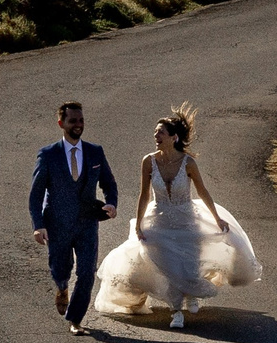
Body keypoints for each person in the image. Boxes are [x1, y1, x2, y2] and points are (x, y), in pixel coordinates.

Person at [93, 103, 262, 329]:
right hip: (159, 219)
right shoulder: (148, 161)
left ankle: (191, 293)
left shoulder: (188, 163)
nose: (156, 135)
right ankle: (176, 312)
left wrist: (216, 217)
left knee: (189, 266)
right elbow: (143, 195)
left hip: (186, 219)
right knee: (168, 266)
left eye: (161, 132)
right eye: (155, 132)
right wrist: (139, 223)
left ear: (173, 137)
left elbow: (202, 191)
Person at [28, 100, 118, 335]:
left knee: (87, 271)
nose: (78, 125)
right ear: (61, 123)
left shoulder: (95, 152)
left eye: (81, 120)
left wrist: (111, 203)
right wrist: (38, 226)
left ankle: (76, 319)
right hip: (57, 223)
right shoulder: (48, 155)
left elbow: (109, 183)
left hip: (88, 222)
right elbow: (36, 195)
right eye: (73, 121)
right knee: (60, 268)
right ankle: (61, 287)